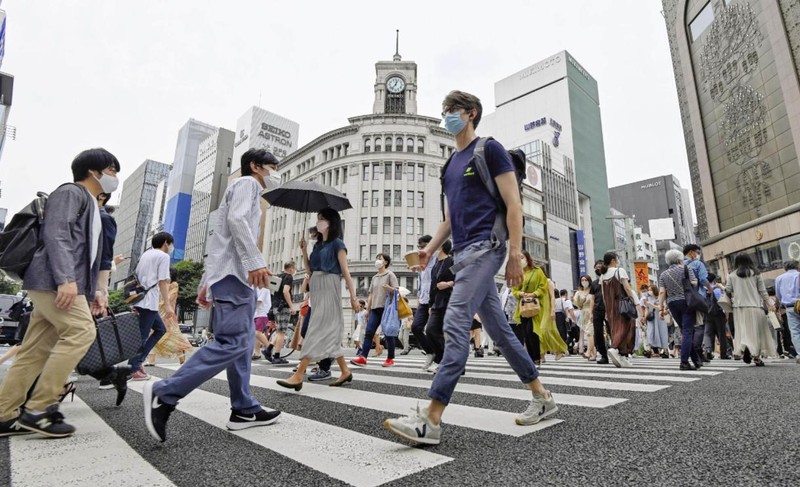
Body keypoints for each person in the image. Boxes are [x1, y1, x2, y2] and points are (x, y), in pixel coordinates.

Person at [384, 90, 557, 446]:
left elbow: (514, 204)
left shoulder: (488, 149)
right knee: (500, 331)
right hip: (462, 255)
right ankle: (542, 396)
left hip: (486, 248)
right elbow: (450, 219)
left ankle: (431, 418)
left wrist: (514, 253)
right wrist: (429, 251)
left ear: (471, 113)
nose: (447, 115)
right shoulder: (450, 164)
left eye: (453, 110)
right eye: (444, 110)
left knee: (455, 321)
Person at [142, 148, 282, 443]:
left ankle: (244, 409)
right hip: (235, 277)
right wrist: (255, 262)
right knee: (233, 342)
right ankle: (165, 392)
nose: (276, 173)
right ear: (256, 166)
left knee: (242, 346)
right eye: (273, 166)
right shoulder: (247, 184)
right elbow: (237, 222)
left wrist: (207, 282)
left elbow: (220, 241)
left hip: (231, 277)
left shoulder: (241, 189)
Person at [0, 148, 119, 438]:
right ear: (93, 171)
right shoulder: (71, 192)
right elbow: (56, 234)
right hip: (55, 281)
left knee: (34, 350)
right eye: (111, 171)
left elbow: (88, 255)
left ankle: (4, 414)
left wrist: (94, 290)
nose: (114, 177)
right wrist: (66, 279)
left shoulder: (92, 206)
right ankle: (40, 409)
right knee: (81, 332)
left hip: (55, 282)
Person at [276, 208, 359, 389]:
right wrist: (304, 251)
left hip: (330, 287)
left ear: (331, 222)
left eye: (322, 218)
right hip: (317, 289)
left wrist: (353, 298)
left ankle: (299, 374)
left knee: (316, 329)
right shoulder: (318, 246)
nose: (318, 222)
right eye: (318, 218)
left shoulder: (338, 244)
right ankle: (345, 371)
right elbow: (309, 270)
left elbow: (346, 272)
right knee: (328, 332)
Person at [127, 232, 176, 380]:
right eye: (171, 244)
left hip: (140, 298)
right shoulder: (163, 256)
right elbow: (163, 282)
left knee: (160, 329)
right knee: (143, 335)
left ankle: (138, 362)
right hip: (149, 301)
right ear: (166, 243)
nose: (171, 247)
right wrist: (168, 305)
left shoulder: (146, 254)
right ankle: (133, 368)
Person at [724, 254, 776, 366]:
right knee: (756, 332)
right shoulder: (756, 273)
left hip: (739, 309)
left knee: (743, 331)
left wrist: (721, 286)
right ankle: (756, 357)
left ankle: (746, 347)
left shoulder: (732, 275)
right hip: (755, 307)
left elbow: (728, 290)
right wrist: (770, 304)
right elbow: (763, 291)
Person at [350, 253, 399, 367]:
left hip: (386, 309)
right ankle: (363, 358)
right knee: (369, 332)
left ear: (385, 262)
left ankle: (390, 359)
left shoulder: (390, 274)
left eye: (380, 259)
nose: (377, 261)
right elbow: (371, 295)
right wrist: (367, 310)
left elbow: (397, 291)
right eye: (377, 258)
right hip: (375, 309)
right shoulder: (374, 277)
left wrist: (390, 289)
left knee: (388, 334)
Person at [658, 249, 703, 370]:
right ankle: (684, 362)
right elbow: (694, 283)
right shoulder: (686, 268)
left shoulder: (663, 274)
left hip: (672, 303)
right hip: (686, 301)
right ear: (679, 259)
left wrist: (660, 308)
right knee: (688, 331)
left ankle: (696, 360)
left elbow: (662, 292)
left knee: (685, 331)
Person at [599, 252, 640, 368]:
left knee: (615, 329)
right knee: (626, 327)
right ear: (613, 260)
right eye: (617, 258)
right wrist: (633, 300)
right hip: (622, 304)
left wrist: (606, 310)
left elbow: (603, 294)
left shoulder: (602, 276)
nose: (618, 260)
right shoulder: (619, 271)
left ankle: (622, 356)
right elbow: (627, 288)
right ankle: (615, 348)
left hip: (610, 306)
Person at [146, 267, 192, 366]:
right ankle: (151, 360)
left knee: (170, 336)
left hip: (167, 314)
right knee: (152, 334)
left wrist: (159, 303)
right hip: (157, 312)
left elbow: (170, 297)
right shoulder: (161, 283)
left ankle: (180, 352)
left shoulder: (174, 284)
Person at [511, 251, 548, 366]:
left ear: (527, 258)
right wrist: (521, 294)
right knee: (526, 334)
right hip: (523, 307)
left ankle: (537, 358)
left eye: (522, 257)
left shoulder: (537, 271)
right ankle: (532, 359)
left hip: (535, 306)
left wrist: (534, 294)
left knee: (532, 331)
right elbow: (514, 290)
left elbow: (543, 286)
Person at [405, 235, 436, 366]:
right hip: (423, 300)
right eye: (419, 247)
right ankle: (430, 352)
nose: (421, 249)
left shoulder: (436, 259)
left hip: (434, 299)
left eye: (423, 246)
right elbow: (421, 280)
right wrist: (418, 296)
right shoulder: (419, 262)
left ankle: (441, 359)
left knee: (434, 330)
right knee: (416, 327)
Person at [425, 240, 455, 373]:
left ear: (442, 247)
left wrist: (448, 284)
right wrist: (430, 304)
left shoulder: (452, 261)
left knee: (450, 333)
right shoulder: (436, 265)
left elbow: (461, 277)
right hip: (437, 302)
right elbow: (433, 286)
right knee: (430, 330)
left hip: (450, 301)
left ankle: (448, 363)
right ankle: (444, 360)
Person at [684, 244, 713, 363]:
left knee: (689, 327)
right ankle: (698, 352)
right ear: (691, 252)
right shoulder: (697, 264)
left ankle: (693, 353)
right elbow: (703, 279)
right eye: (697, 252)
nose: (698, 255)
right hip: (697, 298)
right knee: (700, 325)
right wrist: (710, 289)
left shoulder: (680, 265)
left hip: (684, 300)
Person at [263, 262, 296, 365]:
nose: (294, 270)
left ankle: (269, 350)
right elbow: (286, 291)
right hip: (283, 307)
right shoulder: (288, 277)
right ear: (290, 269)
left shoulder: (279, 276)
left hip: (276, 306)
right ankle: (277, 356)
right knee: (282, 332)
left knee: (279, 331)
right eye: (294, 268)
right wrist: (291, 306)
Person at [775, 260, 800, 365]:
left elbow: (778, 295)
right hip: (799, 303)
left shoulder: (779, 278)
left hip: (789, 307)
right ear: (797, 266)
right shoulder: (798, 275)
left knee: (795, 332)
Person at [703, 273, 729, 360]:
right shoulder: (717, 289)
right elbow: (723, 302)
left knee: (708, 333)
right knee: (721, 334)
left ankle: (708, 351)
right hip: (718, 313)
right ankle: (723, 354)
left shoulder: (703, 290)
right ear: (714, 280)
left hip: (707, 314)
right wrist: (726, 315)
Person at [589, 260, 610, 364]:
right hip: (597, 310)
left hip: (609, 309)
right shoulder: (594, 283)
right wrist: (591, 313)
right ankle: (603, 355)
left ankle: (618, 352)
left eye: (600, 266)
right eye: (596, 267)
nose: (598, 268)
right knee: (598, 333)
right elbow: (592, 299)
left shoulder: (609, 280)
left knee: (612, 331)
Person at [640, 284, 669, 358]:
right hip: (651, 318)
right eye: (648, 290)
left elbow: (660, 308)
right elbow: (646, 309)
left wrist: (650, 304)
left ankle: (665, 351)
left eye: (650, 290)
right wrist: (645, 317)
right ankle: (649, 350)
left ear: (654, 290)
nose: (649, 291)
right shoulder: (647, 298)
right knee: (650, 333)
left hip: (659, 318)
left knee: (662, 333)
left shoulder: (659, 298)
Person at [573, 275, 595, 360]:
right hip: (583, 313)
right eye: (582, 280)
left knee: (590, 332)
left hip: (591, 312)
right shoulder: (579, 292)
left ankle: (589, 352)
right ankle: (593, 354)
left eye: (586, 280)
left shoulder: (592, 290)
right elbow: (576, 303)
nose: (584, 281)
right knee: (588, 332)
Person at [253, 286, 272, 360]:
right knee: (256, 335)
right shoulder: (255, 287)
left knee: (257, 333)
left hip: (262, 313)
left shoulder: (264, 288)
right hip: (256, 314)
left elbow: (259, 301)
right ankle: (257, 353)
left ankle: (268, 349)